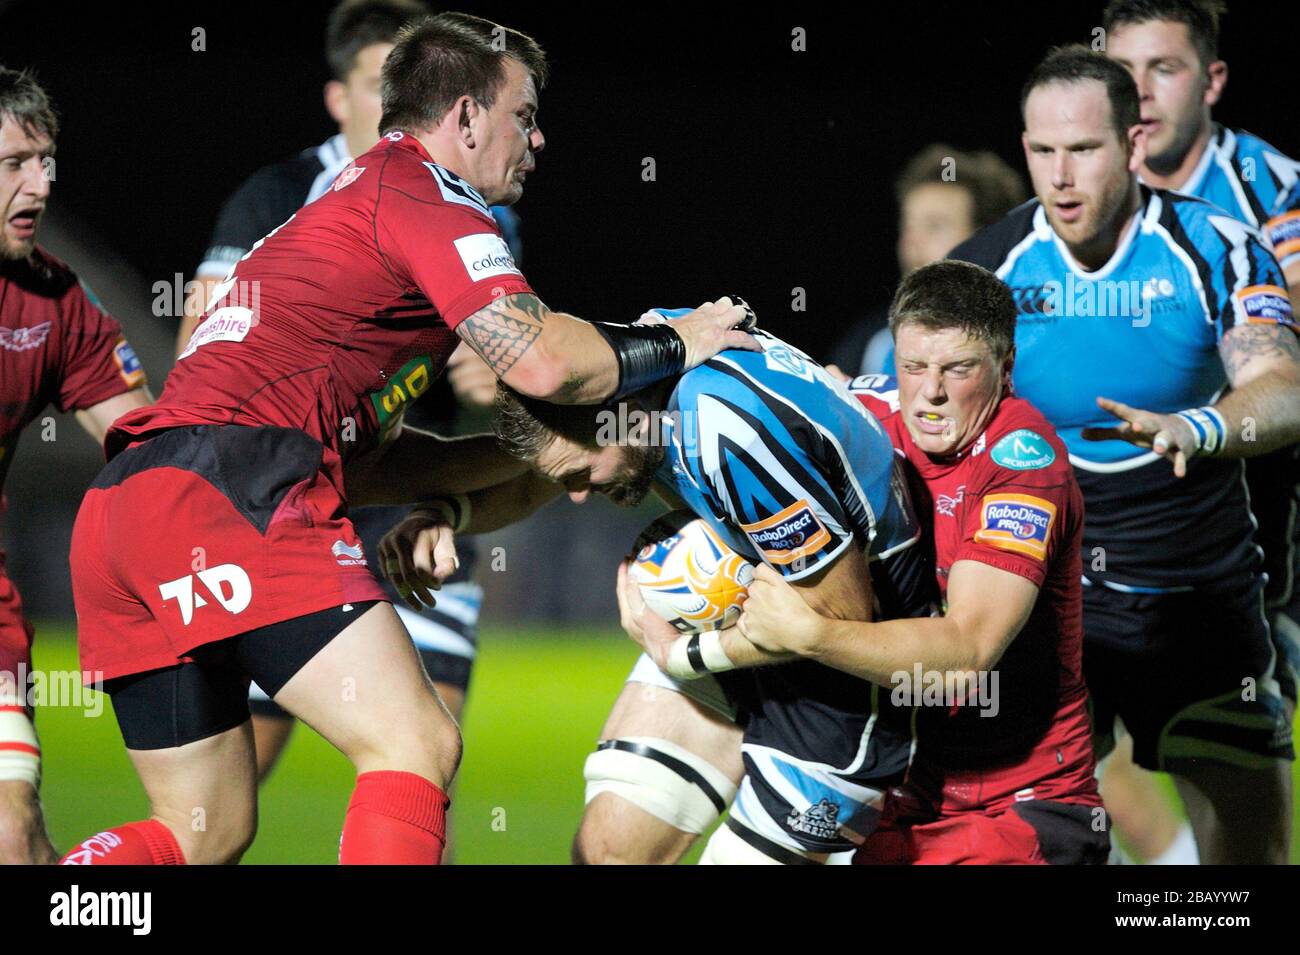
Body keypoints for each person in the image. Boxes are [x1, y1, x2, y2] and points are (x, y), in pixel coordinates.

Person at [58, 12, 753, 866]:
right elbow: (541, 362)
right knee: (416, 743)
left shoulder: (353, 212)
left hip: (131, 509)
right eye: (523, 114)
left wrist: (518, 469)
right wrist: (681, 342)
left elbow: (376, 463)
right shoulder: (422, 191)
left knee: (199, 832)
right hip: (235, 488)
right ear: (463, 116)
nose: (537, 137)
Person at [949, 44, 1297, 864]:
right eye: (1042, 151)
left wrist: (1200, 427)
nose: (1060, 176)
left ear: (1134, 144)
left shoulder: (1218, 248)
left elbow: (1284, 385)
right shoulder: (983, 271)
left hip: (1199, 597)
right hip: (1051, 603)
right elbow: (915, 412)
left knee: (1247, 858)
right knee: (1024, 839)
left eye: (1084, 149)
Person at [173, 5, 502, 860]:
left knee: (425, 755)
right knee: (236, 794)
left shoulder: (464, 199)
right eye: (377, 85)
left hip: (406, 502)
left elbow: (504, 359)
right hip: (282, 495)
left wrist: (490, 374)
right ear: (342, 96)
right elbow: (199, 348)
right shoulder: (279, 196)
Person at [465, 321, 935, 864]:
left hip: (844, 682)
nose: (576, 496)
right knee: (608, 852)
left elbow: (836, 618)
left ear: (619, 411)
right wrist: (447, 511)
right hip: (748, 615)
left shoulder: (730, 438)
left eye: (579, 472)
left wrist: (684, 654)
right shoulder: (646, 354)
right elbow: (543, 471)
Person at [735, 260, 1108, 864]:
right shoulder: (864, 413)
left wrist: (816, 635)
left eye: (958, 369)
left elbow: (967, 655)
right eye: (913, 367)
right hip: (905, 796)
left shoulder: (1023, 461)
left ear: (1005, 368)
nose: (930, 392)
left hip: (1019, 805)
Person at [1103, 0, 1300, 864]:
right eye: (1122, 72)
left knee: (1225, 744)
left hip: (1246, 510)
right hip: (1100, 509)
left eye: (1164, 68)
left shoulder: (1271, 189)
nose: (1138, 94)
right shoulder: (1084, 184)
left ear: (1212, 79)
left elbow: (1284, 369)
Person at [0, 67, 151, 863]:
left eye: (47, 161)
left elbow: (144, 443)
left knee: (13, 828)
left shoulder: (53, 302)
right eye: (15, 163)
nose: (40, 184)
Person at [827, 145, 1025, 376]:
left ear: (987, 240)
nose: (912, 241)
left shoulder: (1032, 333)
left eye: (934, 226)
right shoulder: (871, 343)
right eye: (907, 226)